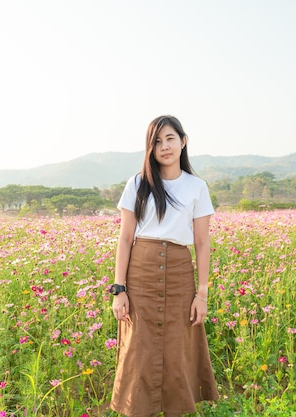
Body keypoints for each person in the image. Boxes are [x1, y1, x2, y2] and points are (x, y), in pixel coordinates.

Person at [109, 115, 219, 417]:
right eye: (156, 141)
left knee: (177, 346)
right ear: (150, 148)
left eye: (170, 138)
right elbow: (125, 238)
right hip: (140, 273)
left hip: (180, 274)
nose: (164, 146)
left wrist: (202, 294)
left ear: (183, 142)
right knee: (138, 349)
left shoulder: (197, 187)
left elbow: (202, 243)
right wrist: (119, 289)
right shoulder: (137, 183)